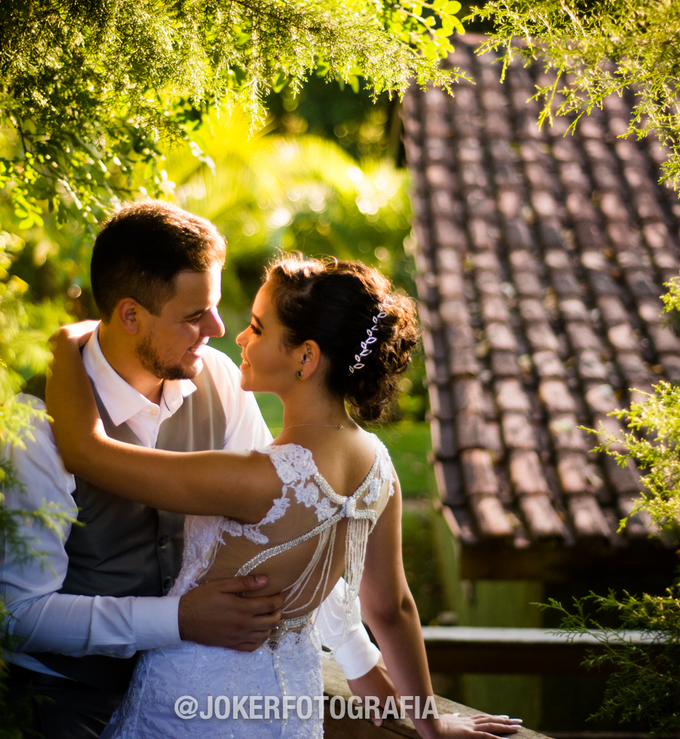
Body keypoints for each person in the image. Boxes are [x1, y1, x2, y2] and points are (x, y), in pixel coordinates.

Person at [46, 253, 524, 738]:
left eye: (257, 327)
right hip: (288, 709)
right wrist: (431, 727)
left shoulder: (254, 479)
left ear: (306, 357)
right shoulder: (378, 468)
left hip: (190, 708)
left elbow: (87, 453)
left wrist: (65, 345)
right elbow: (393, 608)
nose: (239, 338)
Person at [0, 203, 394, 739]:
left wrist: (401, 702)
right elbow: (17, 613)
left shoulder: (221, 383)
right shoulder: (38, 424)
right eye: (193, 315)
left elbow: (291, 542)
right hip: (65, 701)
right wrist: (177, 619)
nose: (220, 329)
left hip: (191, 697)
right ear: (131, 316)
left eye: (218, 306)